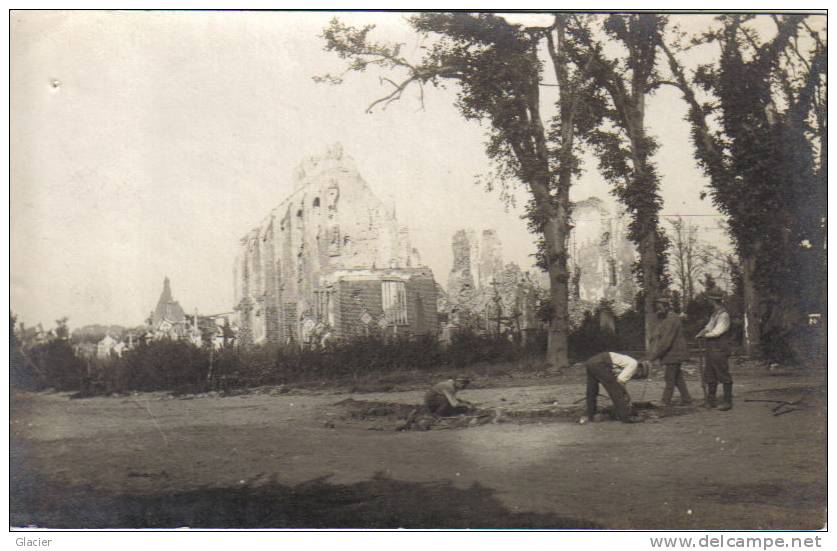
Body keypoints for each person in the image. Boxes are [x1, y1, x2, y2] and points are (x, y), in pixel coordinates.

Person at [647, 296, 692, 406]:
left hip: (674, 353)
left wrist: (654, 357)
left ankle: (665, 401)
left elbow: (666, 341)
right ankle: (686, 398)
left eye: (660, 308)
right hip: (674, 353)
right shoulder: (667, 318)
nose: (658, 311)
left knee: (669, 378)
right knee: (677, 377)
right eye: (657, 308)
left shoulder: (671, 319)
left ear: (667, 307)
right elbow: (658, 334)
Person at [696, 288, 733, 410]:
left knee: (723, 373)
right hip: (711, 349)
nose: (709, 302)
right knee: (710, 374)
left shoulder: (724, 315)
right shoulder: (715, 313)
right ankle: (711, 400)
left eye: (710, 300)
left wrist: (705, 335)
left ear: (714, 301)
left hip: (720, 349)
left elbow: (718, 331)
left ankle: (728, 402)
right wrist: (702, 331)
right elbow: (710, 326)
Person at [584, 352, 644, 423]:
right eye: (639, 374)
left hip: (591, 362)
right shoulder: (634, 364)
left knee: (591, 392)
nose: (636, 376)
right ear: (640, 369)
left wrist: (624, 392)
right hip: (602, 363)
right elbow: (620, 382)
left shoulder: (627, 362)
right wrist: (626, 396)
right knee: (616, 393)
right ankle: (626, 418)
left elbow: (618, 380)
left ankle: (590, 417)